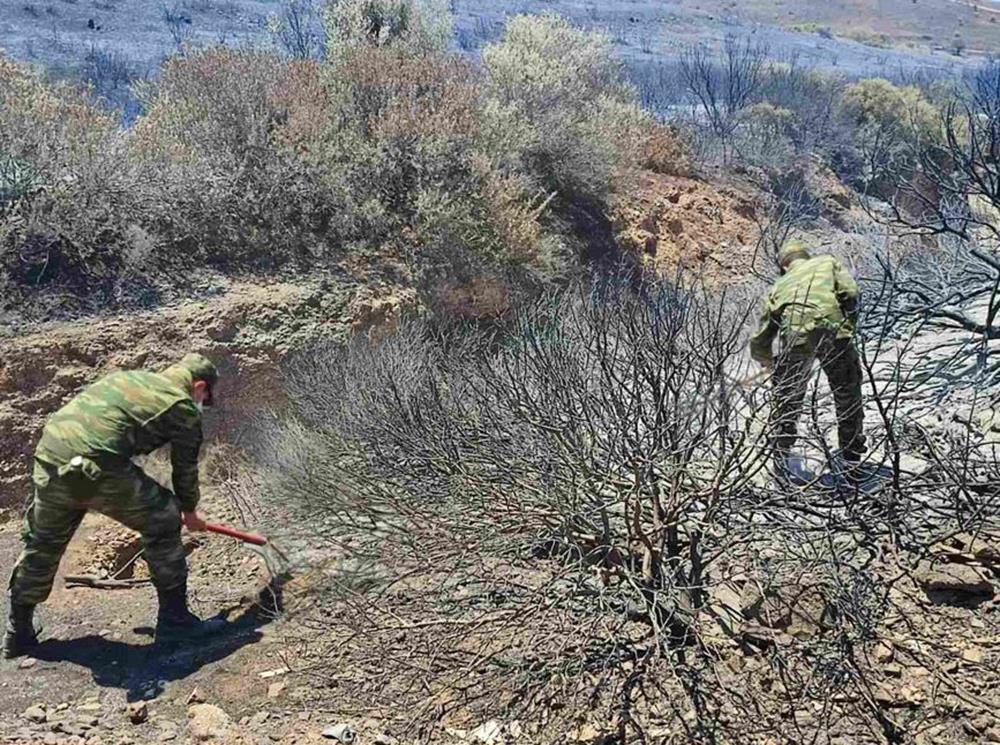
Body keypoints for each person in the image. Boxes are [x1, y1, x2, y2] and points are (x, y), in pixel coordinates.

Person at [4, 353, 224, 658]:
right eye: (205, 397)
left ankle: (19, 632)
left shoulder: (130, 378)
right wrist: (188, 512)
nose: (203, 403)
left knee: (44, 542)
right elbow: (184, 469)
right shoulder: (181, 405)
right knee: (163, 517)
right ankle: (176, 623)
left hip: (51, 454)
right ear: (199, 386)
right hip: (95, 464)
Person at [749, 239, 866, 481]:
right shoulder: (826, 262)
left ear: (783, 266)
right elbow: (851, 293)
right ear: (807, 256)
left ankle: (781, 459)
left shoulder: (779, 285)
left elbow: (763, 333)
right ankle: (850, 459)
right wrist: (848, 327)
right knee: (847, 394)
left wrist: (766, 359)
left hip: (795, 340)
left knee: (787, 401)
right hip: (834, 331)